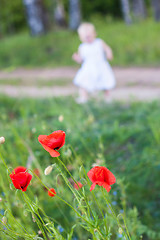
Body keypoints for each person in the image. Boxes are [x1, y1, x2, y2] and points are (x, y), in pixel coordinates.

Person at [72, 22, 116, 103]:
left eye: (89, 36)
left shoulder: (99, 42)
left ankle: (107, 97)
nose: (87, 38)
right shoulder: (82, 47)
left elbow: (107, 48)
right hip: (88, 68)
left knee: (105, 82)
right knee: (83, 83)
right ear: (80, 38)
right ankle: (84, 97)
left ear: (94, 34)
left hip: (101, 66)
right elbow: (81, 60)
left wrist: (109, 54)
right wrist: (77, 58)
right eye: (85, 37)